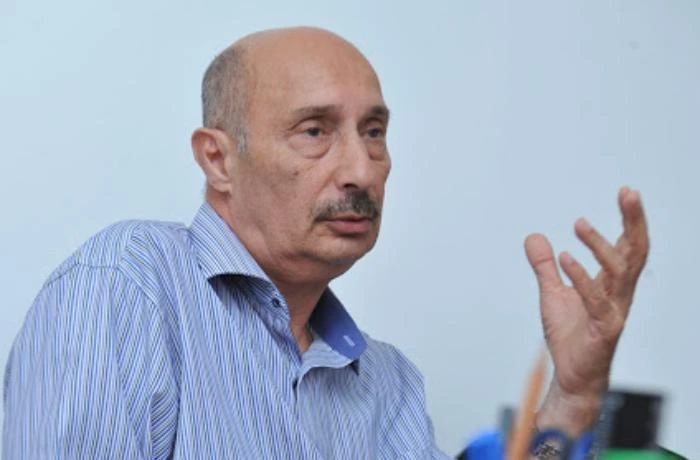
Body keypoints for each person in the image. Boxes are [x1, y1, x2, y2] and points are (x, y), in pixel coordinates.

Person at [3, 27, 649, 459]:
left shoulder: (389, 385)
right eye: (315, 131)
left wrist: (573, 396)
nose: (362, 170)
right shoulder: (126, 289)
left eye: (374, 132)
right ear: (218, 160)